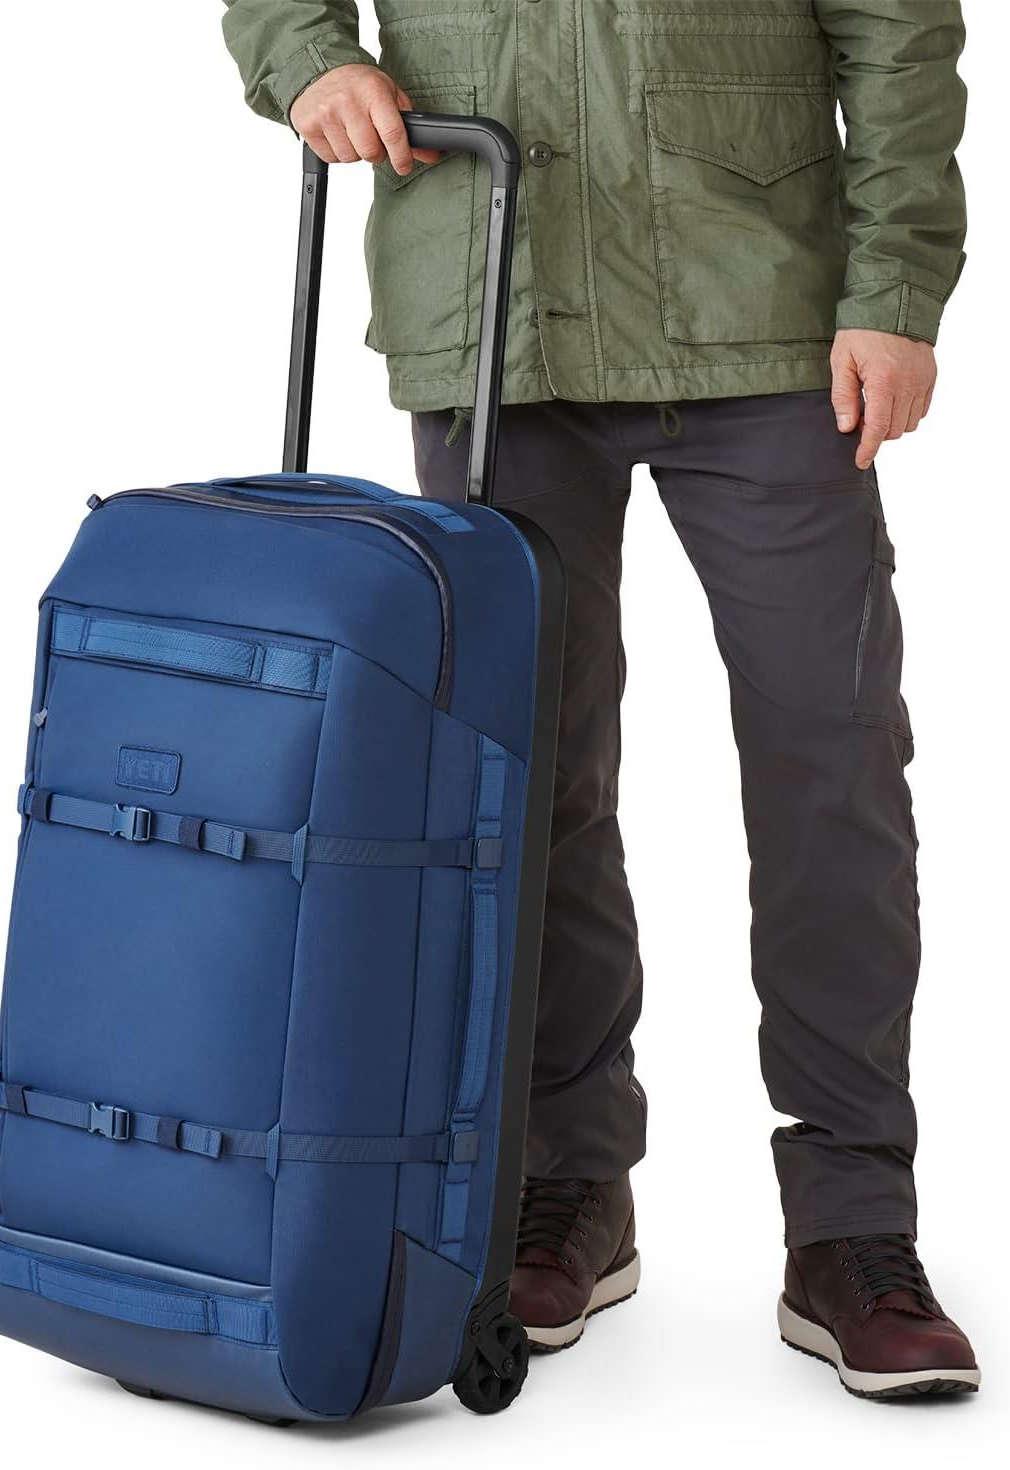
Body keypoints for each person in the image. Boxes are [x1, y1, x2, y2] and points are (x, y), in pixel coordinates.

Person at [222, 2, 979, 1398]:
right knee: (526, 781)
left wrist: (893, 285)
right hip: (489, 285)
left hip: (764, 300)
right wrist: (307, 55)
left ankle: (852, 1221)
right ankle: (566, 1182)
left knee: (833, 762)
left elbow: (894, 28)